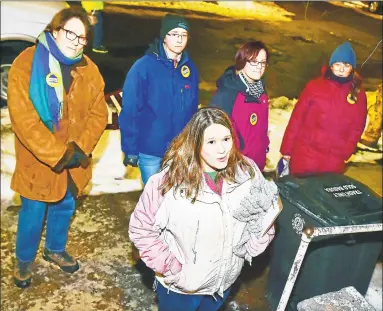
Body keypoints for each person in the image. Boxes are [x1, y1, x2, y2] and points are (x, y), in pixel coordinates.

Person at [129, 107, 279, 311]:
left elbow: (263, 215)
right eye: (211, 142)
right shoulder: (168, 183)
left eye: (226, 139)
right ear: (195, 143)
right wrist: (171, 267)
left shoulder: (247, 172)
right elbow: (141, 229)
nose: (222, 149)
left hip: (222, 285)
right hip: (181, 289)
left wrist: (258, 240)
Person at [7, 7, 108, 288]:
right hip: (39, 160)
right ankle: (24, 260)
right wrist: (56, 153)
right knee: (34, 210)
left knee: (65, 204)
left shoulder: (89, 68)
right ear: (54, 30)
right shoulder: (26, 64)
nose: (76, 41)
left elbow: (99, 113)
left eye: (82, 37)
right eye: (70, 33)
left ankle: (54, 249)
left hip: (74, 156)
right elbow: (23, 119)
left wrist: (81, 147)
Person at [119, 13, 199, 185]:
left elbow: (193, 109)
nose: (179, 40)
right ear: (164, 36)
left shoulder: (189, 68)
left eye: (184, 35)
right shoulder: (144, 67)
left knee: (176, 200)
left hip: (180, 150)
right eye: (174, 34)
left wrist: (193, 142)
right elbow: (130, 110)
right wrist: (130, 149)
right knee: (154, 200)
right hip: (150, 150)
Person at [280, 41, 367, 175]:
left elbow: (357, 127)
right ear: (331, 66)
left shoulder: (358, 94)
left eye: (346, 65)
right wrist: (287, 150)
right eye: (337, 64)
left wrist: (346, 151)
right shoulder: (314, 87)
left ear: (352, 68)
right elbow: (297, 119)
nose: (341, 69)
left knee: (326, 195)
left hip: (333, 162)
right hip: (305, 156)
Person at [210, 41, 270, 172]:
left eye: (263, 62)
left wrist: (264, 147)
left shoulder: (261, 93)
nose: (259, 67)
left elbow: (262, 128)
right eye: (253, 61)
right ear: (242, 61)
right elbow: (213, 133)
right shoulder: (227, 94)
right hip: (233, 168)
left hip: (256, 167)